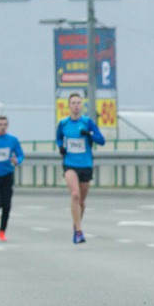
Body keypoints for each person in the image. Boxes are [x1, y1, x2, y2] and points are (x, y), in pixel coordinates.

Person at [56, 92, 106, 244]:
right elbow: (58, 138)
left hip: (85, 164)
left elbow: (101, 140)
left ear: (82, 105)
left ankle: (76, 224)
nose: (76, 106)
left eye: (78, 103)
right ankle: (79, 232)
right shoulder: (63, 123)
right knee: (75, 195)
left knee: (82, 202)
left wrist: (89, 134)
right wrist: (61, 148)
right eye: (73, 103)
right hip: (70, 164)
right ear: (69, 106)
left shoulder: (87, 122)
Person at [0, 116, 25, 242]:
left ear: (7, 126)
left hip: (7, 176)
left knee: (7, 205)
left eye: (5, 124)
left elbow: (21, 155)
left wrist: (17, 160)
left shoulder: (12, 140)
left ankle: (2, 231)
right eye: (0, 124)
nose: (2, 126)